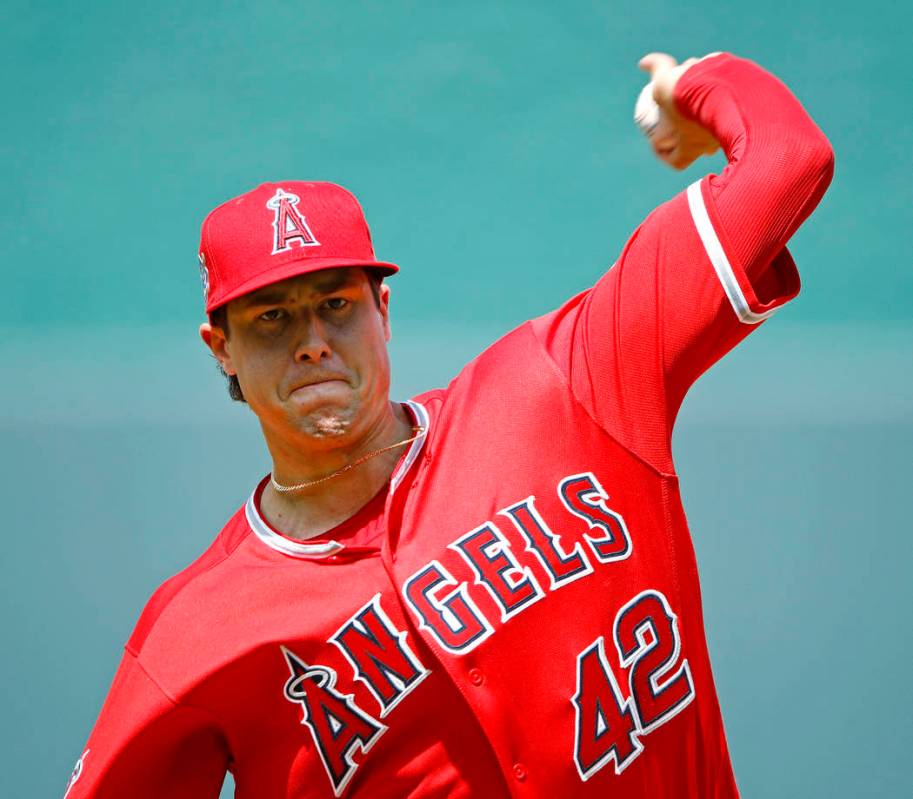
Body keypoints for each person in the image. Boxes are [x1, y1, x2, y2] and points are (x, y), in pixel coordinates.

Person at [63, 50, 834, 798]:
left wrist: (692, 85)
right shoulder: (197, 630)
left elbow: (788, 158)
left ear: (382, 311)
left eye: (335, 301)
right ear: (220, 348)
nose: (310, 339)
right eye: (270, 317)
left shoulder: (566, 383)